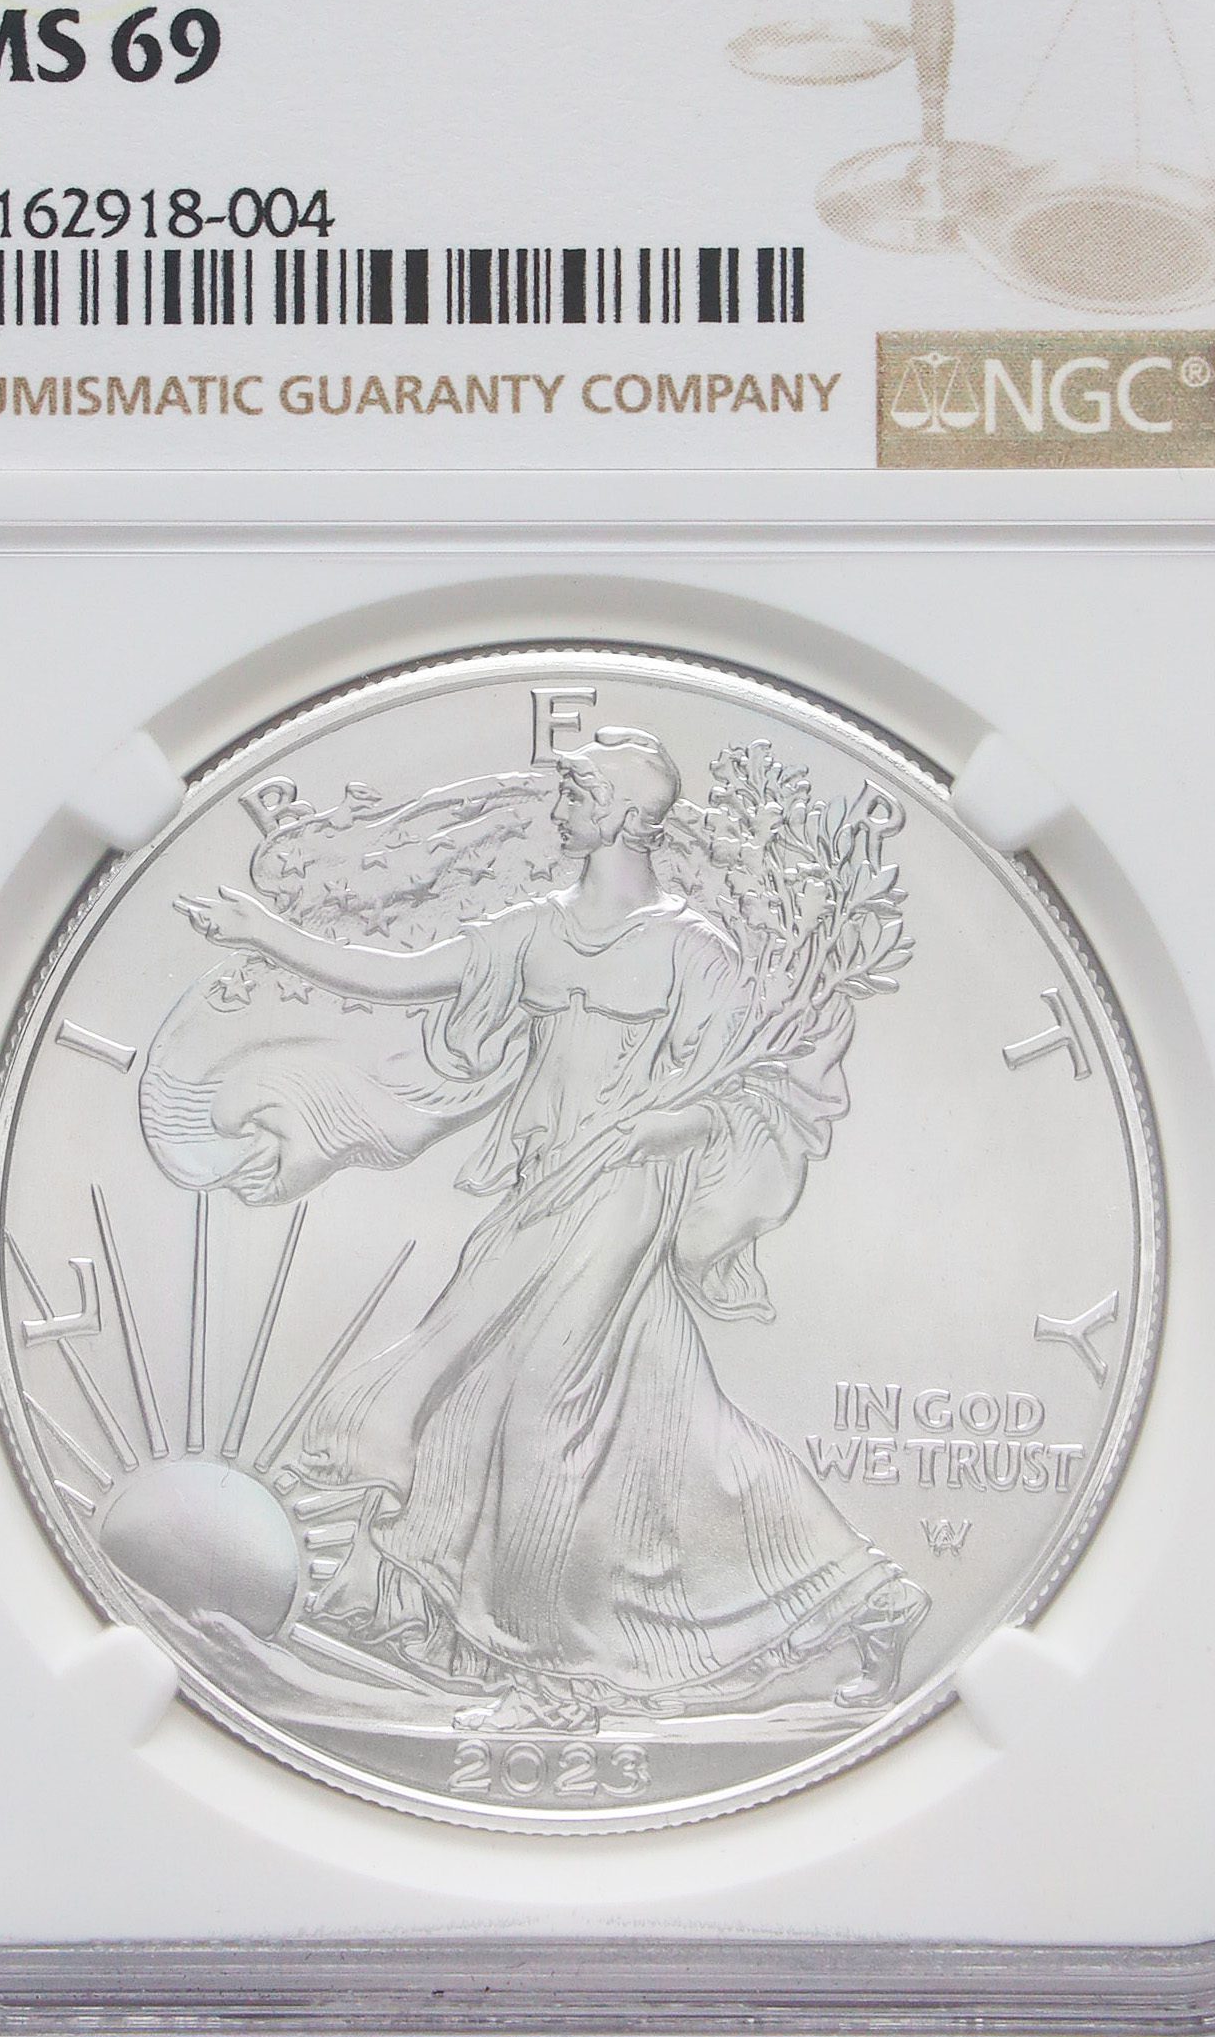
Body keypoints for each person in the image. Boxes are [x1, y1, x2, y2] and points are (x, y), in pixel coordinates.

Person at [185, 729, 928, 1731]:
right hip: (541, 1191)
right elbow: (403, 974)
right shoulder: (534, 931)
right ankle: (868, 1600)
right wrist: (266, 936)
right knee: (669, 1427)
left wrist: (660, 1124)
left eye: (577, 789)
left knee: (542, 1414)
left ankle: (548, 1667)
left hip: (622, 1194)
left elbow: (743, 1091)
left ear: (620, 812)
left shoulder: (692, 951)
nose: (558, 802)